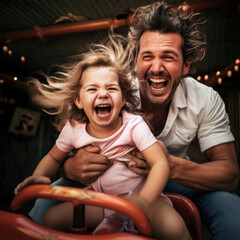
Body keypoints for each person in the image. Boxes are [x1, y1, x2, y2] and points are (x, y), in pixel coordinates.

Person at [60, 2, 239, 240]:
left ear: (186, 65)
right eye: (147, 57)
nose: (156, 68)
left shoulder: (206, 99)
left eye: (168, 57)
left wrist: (170, 166)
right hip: (111, 179)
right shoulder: (113, 92)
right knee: (44, 203)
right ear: (135, 63)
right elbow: (64, 148)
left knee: (231, 210)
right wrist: (71, 167)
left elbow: (230, 174)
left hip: (174, 179)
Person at [14, 35, 191, 239]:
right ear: (79, 101)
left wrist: (143, 201)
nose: (103, 94)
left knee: (175, 228)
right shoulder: (74, 129)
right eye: (92, 89)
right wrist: (40, 175)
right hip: (101, 203)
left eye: (111, 88)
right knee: (51, 218)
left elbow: (160, 163)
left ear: (123, 98)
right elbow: (54, 157)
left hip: (143, 201)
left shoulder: (133, 125)